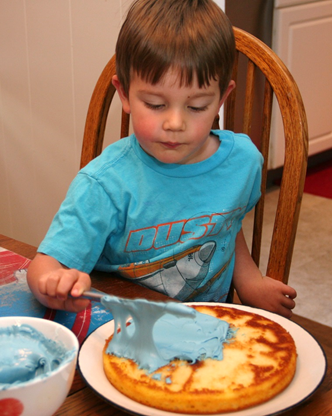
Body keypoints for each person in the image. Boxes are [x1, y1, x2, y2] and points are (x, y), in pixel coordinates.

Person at [27, 0, 297, 318]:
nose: (174, 123)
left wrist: (250, 281)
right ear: (125, 94)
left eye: (196, 106)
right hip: (125, 327)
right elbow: (45, 264)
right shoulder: (103, 184)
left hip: (211, 321)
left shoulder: (243, 162)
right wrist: (53, 282)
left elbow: (226, 223)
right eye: (155, 104)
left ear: (222, 98)